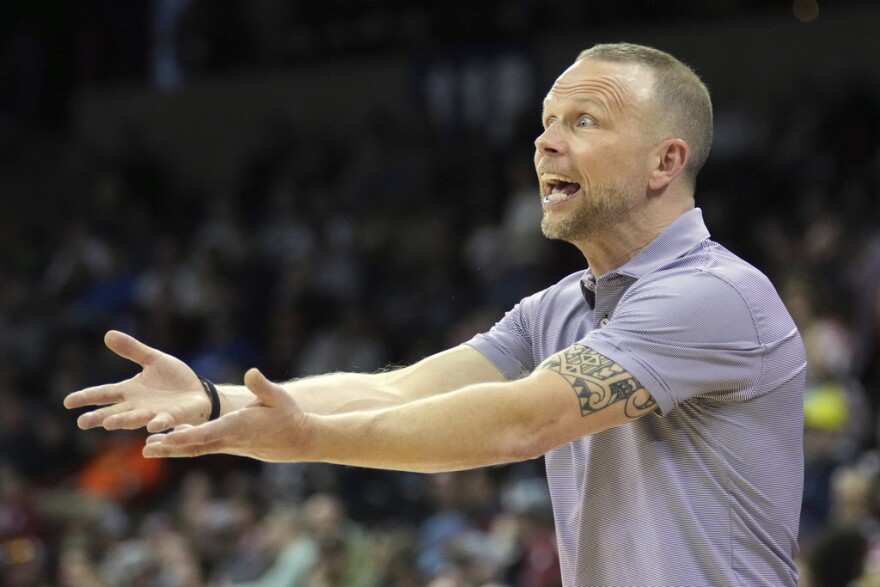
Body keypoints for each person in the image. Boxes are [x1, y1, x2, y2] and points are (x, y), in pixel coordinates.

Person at [64, 43, 806, 586]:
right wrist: (216, 398)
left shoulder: (711, 295)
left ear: (665, 162)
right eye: (546, 122)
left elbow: (524, 421)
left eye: (584, 121)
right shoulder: (559, 309)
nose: (545, 141)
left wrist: (311, 437)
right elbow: (403, 388)